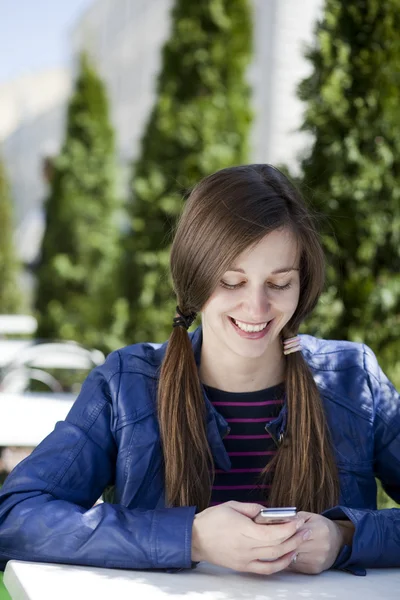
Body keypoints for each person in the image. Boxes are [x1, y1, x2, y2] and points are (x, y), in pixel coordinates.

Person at [0, 164, 399, 577]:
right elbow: (14, 517)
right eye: (231, 282)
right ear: (195, 280)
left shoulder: (353, 379)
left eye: (279, 284)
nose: (257, 308)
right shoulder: (126, 385)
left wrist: (346, 537)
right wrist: (191, 537)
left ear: (303, 284)